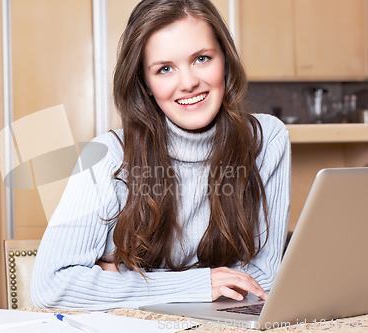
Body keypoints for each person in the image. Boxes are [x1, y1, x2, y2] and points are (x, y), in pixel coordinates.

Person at [31, 0, 290, 310]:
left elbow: (265, 279)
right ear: (146, 84)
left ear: (225, 60)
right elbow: (52, 286)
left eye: (202, 58)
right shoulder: (106, 157)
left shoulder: (266, 139)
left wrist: (119, 275)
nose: (188, 82)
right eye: (165, 69)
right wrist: (199, 284)